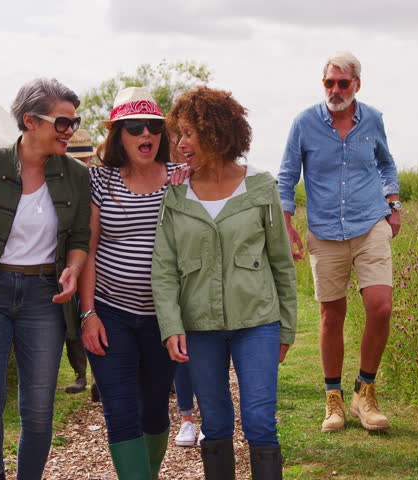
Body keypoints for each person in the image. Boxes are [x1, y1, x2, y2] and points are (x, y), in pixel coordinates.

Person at [0, 78, 91, 480]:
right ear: (30, 121)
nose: (71, 131)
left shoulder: (77, 177)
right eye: (62, 123)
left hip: (44, 298)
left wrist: (73, 270)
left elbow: (80, 238)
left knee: (39, 410)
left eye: (73, 122)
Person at [152, 86, 297, 480]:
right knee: (214, 424)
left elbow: (281, 263)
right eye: (177, 134)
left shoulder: (262, 187)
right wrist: (171, 326)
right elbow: (163, 268)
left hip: (258, 323)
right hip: (199, 328)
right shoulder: (175, 193)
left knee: (260, 422)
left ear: (216, 132)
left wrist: (286, 326)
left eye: (188, 133)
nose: (180, 143)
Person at [277, 51, 401, 433]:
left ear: (356, 85)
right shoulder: (304, 123)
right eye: (329, 83)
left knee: (380, 307)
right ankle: (333, 400)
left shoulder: (374, 119)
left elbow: (386, 164)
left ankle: (364, 392)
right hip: (326, 231)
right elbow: (286, 175)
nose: (334, 90)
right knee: (332, 316)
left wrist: (392, 202)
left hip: (370, 225)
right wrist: (286, 222)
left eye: (342, 83)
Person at [78, 87, 180, 479]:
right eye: (135, 127)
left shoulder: (178, 178)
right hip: (111, 312)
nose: (146, 135)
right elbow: (88, 246)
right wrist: (88, 314)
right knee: (119, 410)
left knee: (154, 408)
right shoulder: (101, 181)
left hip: (163, 316)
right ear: (119, 134)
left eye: (154, 127)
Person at [64, 128, 100, 402]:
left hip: (96, 258)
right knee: (72, 318)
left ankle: (99, 376)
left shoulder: (98, 180)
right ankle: (80, 373)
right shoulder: (62, 179)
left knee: (95, 314)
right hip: (68, 258)